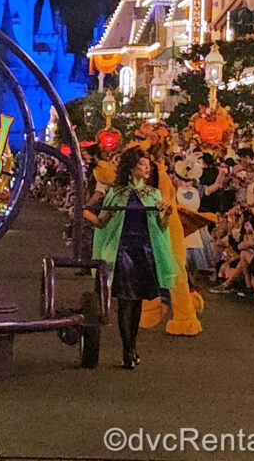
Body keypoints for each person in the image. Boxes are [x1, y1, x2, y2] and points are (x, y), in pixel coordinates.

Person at [86, 147, 179, 369]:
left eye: (147, 164)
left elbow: (161, 227)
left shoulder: (154, 194)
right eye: (142, 164)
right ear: (131, 167)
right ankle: (128, 350)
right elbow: (103, 223)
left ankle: (132, 347)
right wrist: (89, 216)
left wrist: (168, 213)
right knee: (126, 301)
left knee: (137, 302)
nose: (146, 168)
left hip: (144, 252)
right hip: (122, 251)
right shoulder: (116, 193)